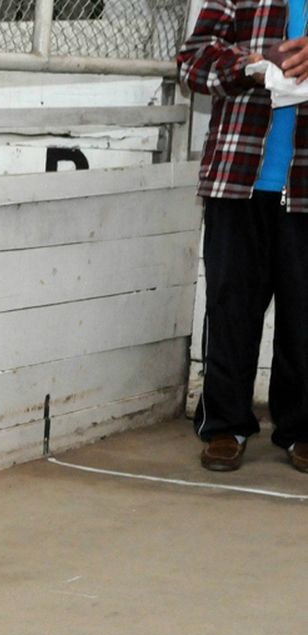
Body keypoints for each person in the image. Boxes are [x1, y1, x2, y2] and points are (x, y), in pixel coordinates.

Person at [179, 1, 308, 473]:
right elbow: (192, 62)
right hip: (237, 178)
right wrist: (255, 66)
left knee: (304, 315)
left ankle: (301, 430)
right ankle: (224, 427)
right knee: (230, 307)